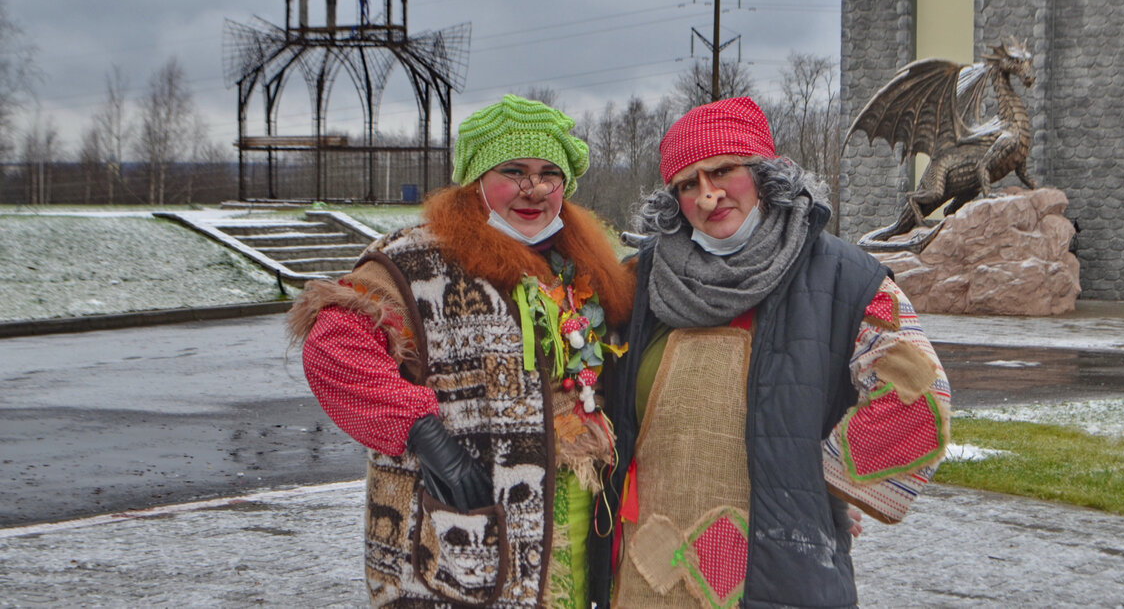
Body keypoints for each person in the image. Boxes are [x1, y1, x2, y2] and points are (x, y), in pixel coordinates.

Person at [597, 97, 951, 608]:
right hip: (643, 574)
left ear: (764, 174)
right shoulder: (639, 282)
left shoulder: (844, 278)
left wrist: (825, 481)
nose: (708, 195)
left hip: (779, 580)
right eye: (687, 184)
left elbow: (921, 396)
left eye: (723, 171)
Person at [288, 94, 635, 608]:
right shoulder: (413, 261)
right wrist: (427, 438)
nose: (533, 189)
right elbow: (335, 350)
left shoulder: (578, 261)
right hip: (461, 529)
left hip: (577, 521)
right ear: (475, 180)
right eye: (513, 171)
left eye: (549, 174)